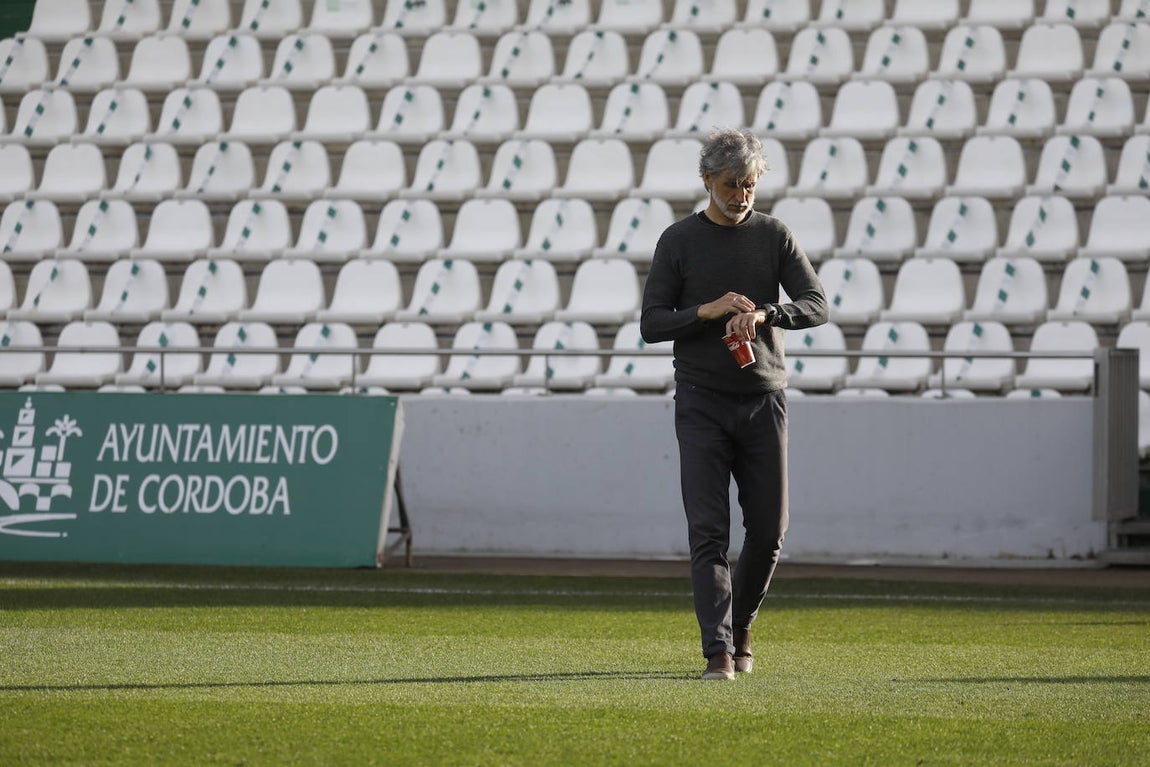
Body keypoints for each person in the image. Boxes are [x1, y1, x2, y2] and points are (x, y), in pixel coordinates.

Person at [639, 128, 828, 681]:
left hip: (764, 399)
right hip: (700, 401)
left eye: (749, 185)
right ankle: (718, 651)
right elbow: (651, 324)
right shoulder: (678, 241)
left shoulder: (775, 236)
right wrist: (706, 311)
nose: (742, 195)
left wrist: (768, 313)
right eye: (731, 185)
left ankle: (741, 624)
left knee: (769, 531)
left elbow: (817, 305)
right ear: (707, 181)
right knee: (709, 532)